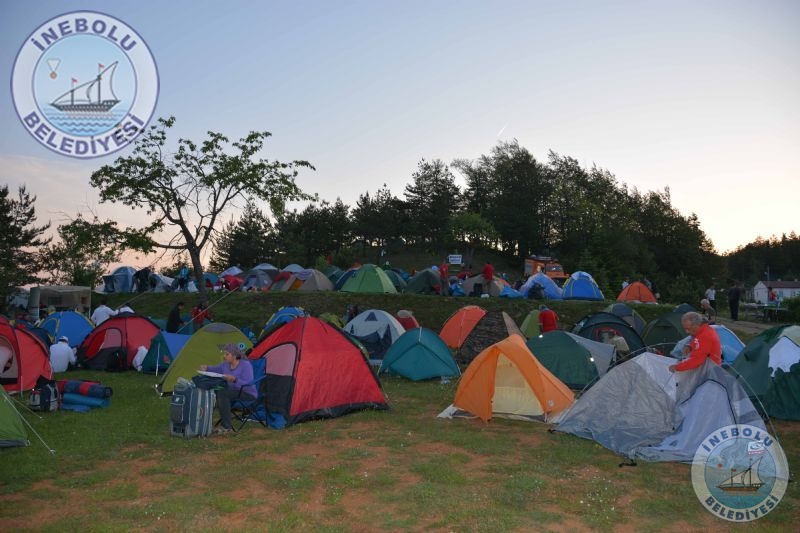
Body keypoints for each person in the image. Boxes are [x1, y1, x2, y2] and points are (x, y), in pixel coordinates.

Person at [200, 344, 256, 433]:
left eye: (227, 354)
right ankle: (202, 421)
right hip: (232, 392)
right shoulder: (225, 365)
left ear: (234, 355)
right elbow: (215, 369)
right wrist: (206, 368)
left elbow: (248, 383)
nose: (224, 356)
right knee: (212, 390)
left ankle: (226, 426)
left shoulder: (245, 365)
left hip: (247, 393)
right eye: (224, 354)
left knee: (223, 393)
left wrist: (235, 380)